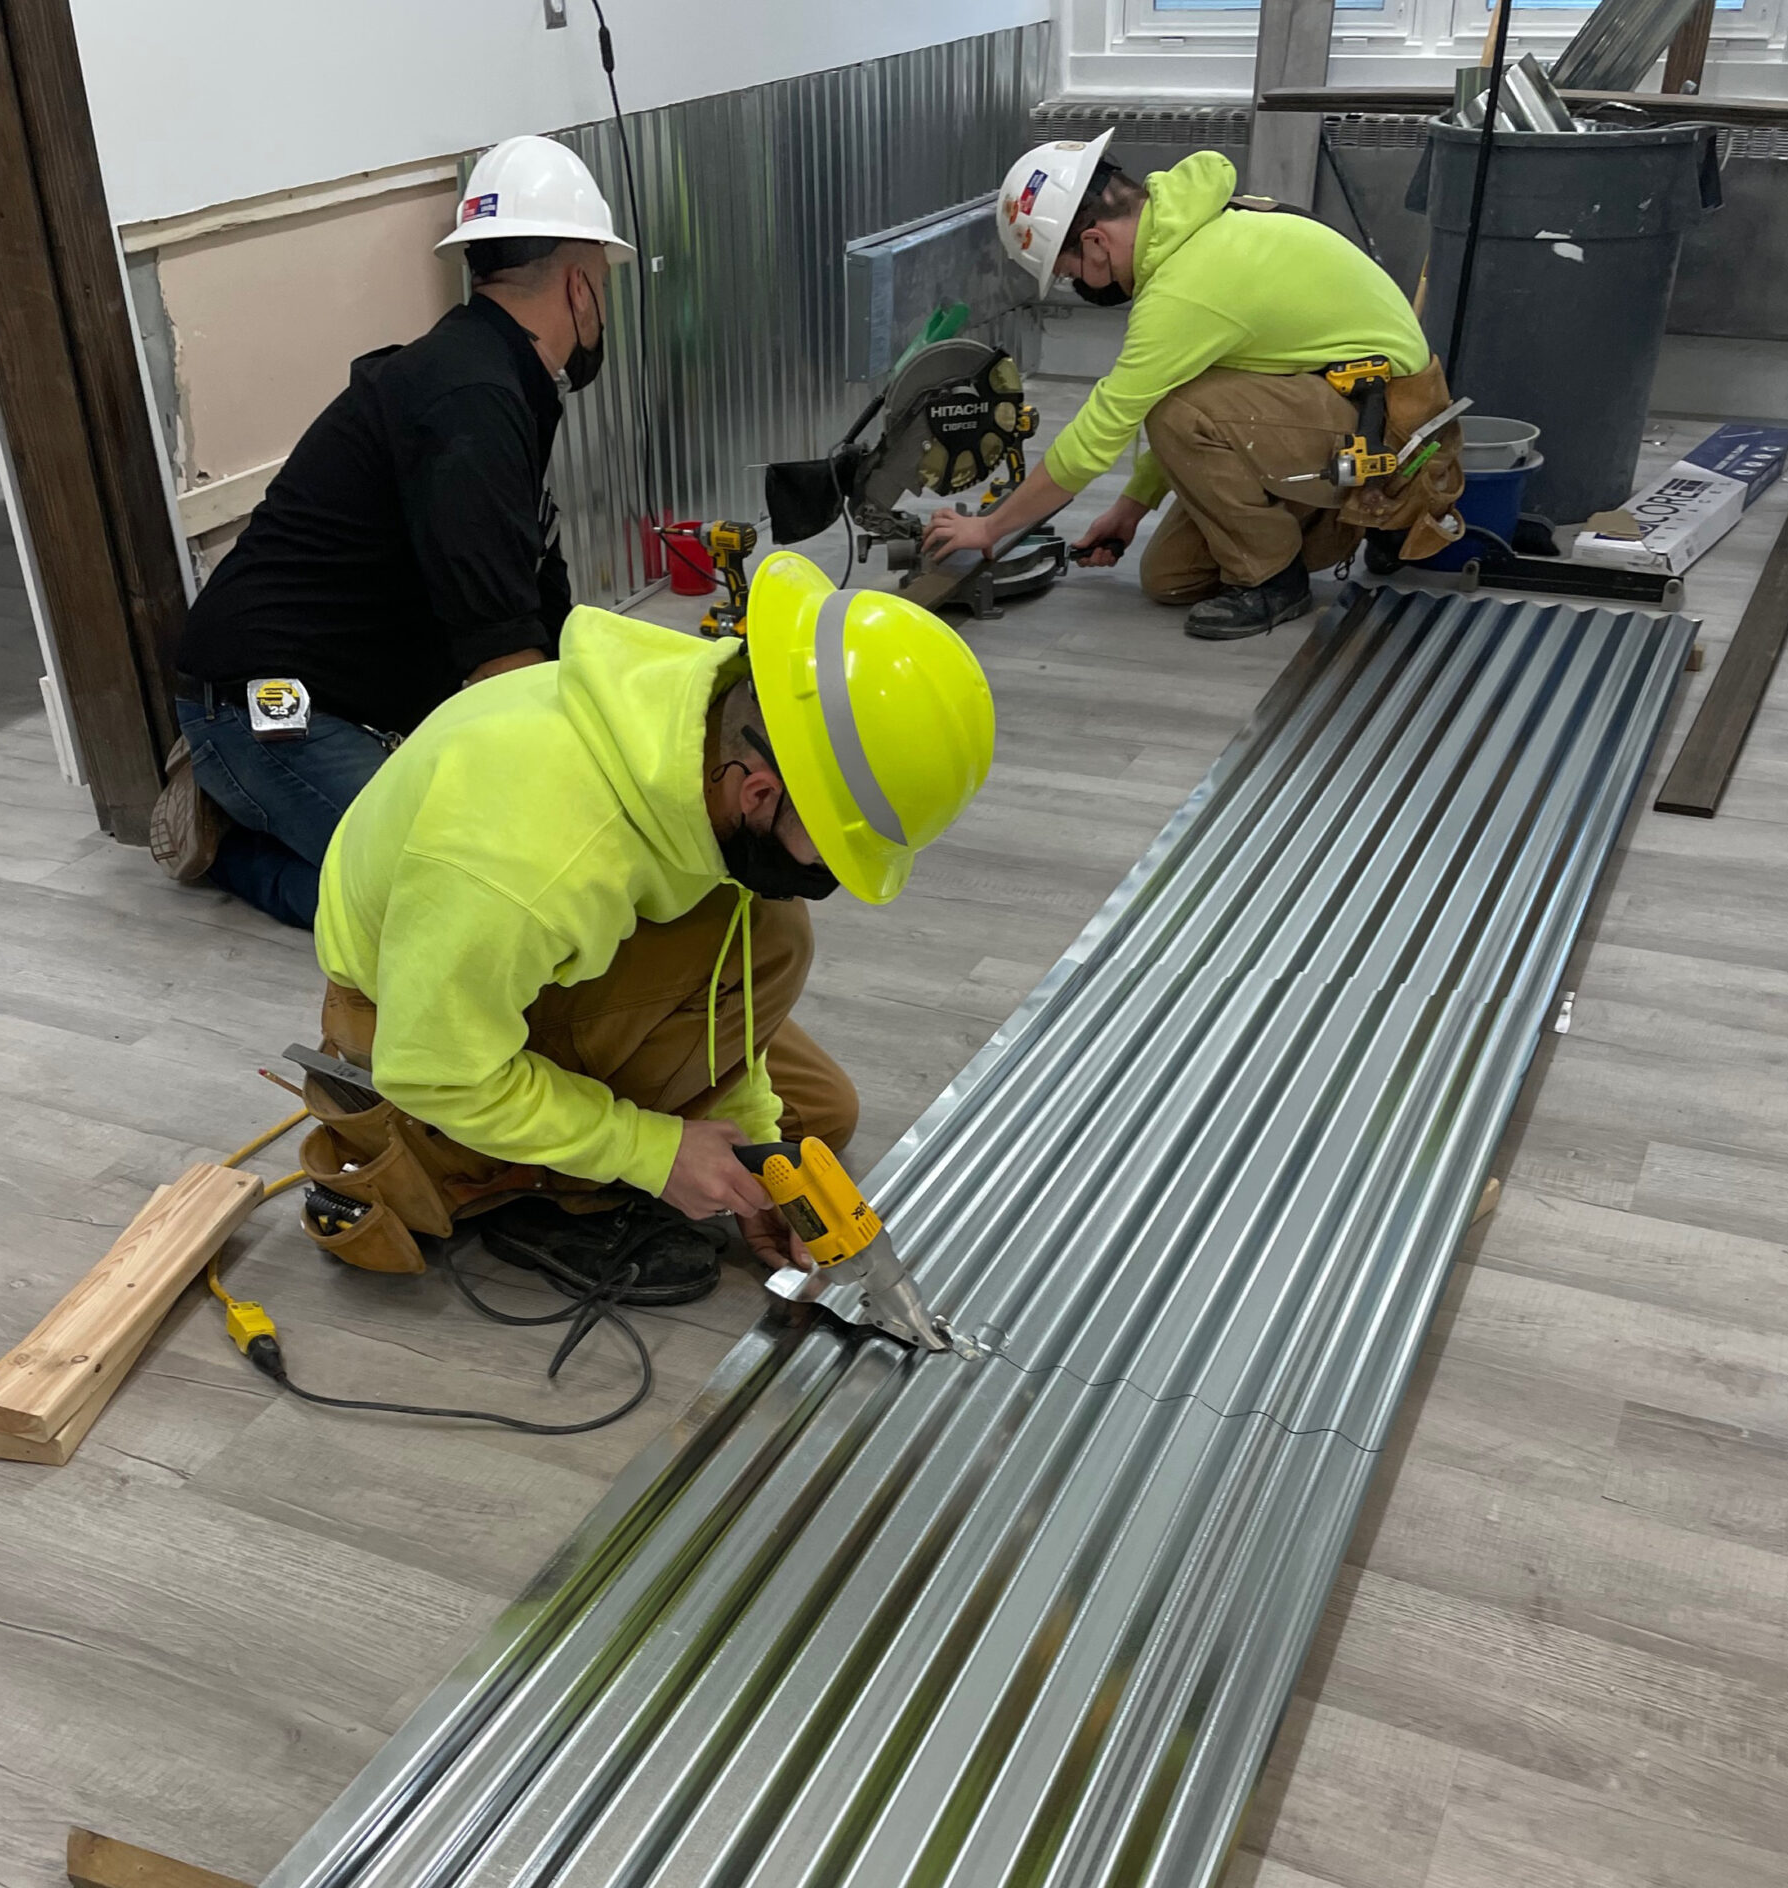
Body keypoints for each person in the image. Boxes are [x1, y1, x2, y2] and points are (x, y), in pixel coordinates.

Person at [292, 550, 997, 1299]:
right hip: (415, 1036)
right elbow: (433, 1068)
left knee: (816, 1113)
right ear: (760, 791)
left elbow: (731, 952)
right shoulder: (532, 855)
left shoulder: (699, 728)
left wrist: (757, 1153)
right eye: (833, 846)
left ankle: (607, 1146)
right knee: (779, 935)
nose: (831, 875)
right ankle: (544, 1187)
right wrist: (654, 1152)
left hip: (501, 959)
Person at [149, 134, 633, 927]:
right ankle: (226, 835)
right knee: (443, 902)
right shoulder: (468, 401)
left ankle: (286, 801)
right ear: (581, 285)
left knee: (498, 849)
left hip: (340, 695)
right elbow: (502, 662)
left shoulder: (493, 378)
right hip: (264, 705)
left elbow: (534, 598)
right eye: (604, 282)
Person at [925, 138, 1464, 640]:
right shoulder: (1193, 231)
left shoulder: (1187, 285)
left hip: (1392, 433)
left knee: (1176, 414)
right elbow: (1204, 388)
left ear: (1094, 242)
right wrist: (1131, 507)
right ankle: (1331, 534)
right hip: (1343, 410)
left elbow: (1099, 435)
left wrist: (991, 529)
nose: (1078, 286)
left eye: (1068, 273)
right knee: (1171, 579)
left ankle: (1277, 580)